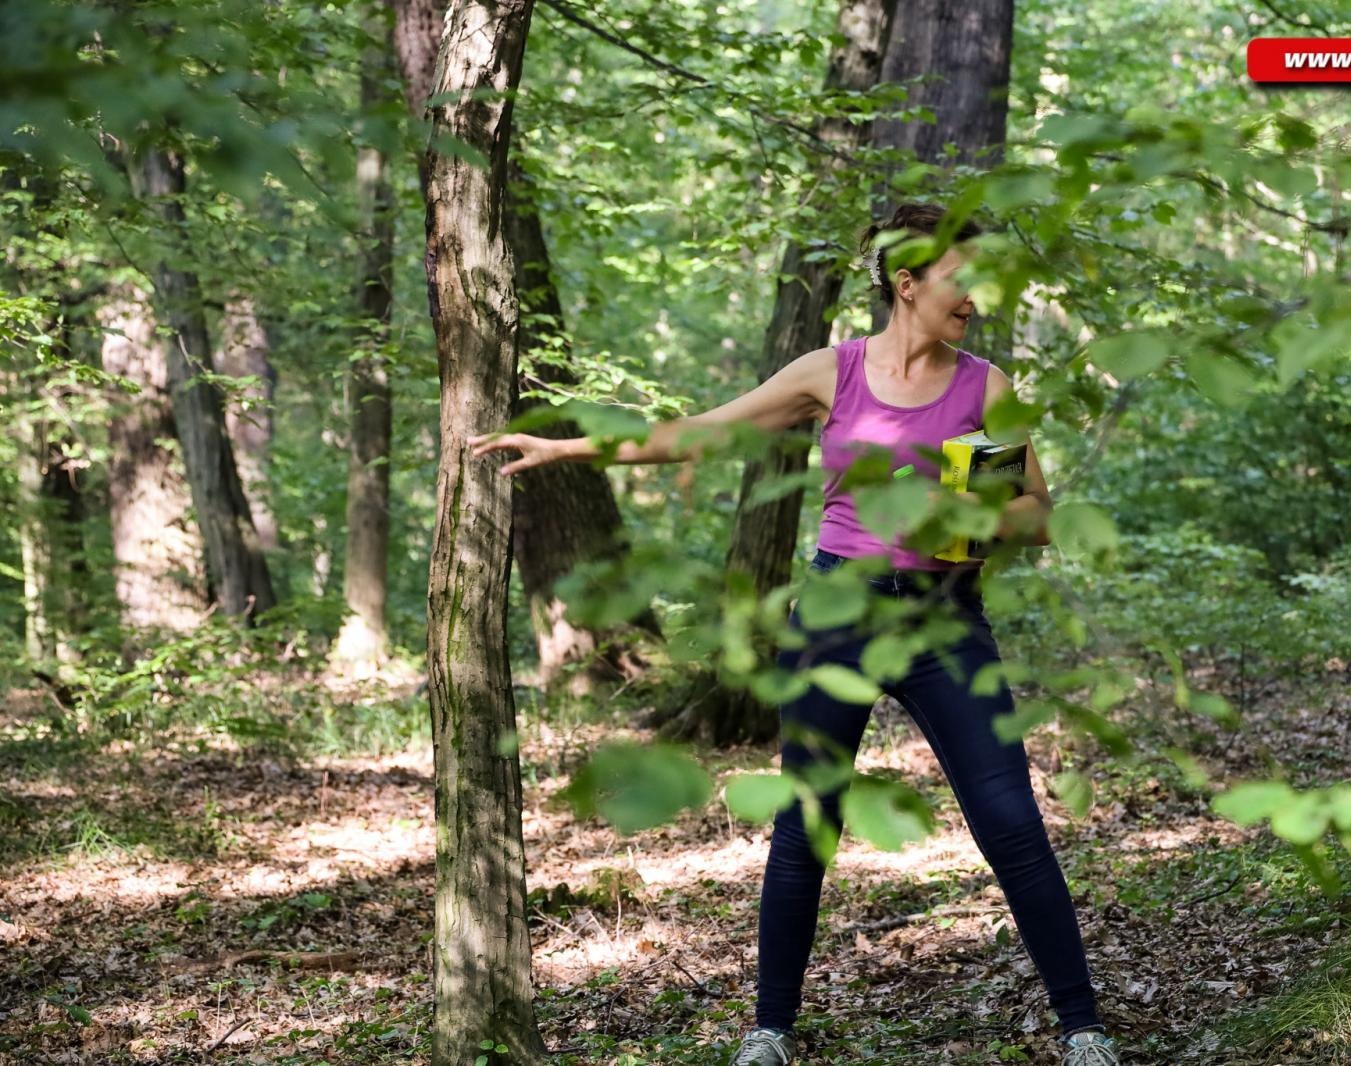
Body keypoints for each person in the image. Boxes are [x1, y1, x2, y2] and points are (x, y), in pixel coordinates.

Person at [468, 201, 1120, 1066]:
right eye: (963, 279)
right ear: (908, 282)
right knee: (805, 826)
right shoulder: (832, 373)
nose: (977, 297)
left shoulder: (983, 387)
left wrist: (969, 513)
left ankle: (1084, 1030)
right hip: (835, 614)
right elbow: (702, 431)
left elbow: (1039, 517)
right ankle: (769, 1032)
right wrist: (570, 449)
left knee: (1010, 823)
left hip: (943, 620)